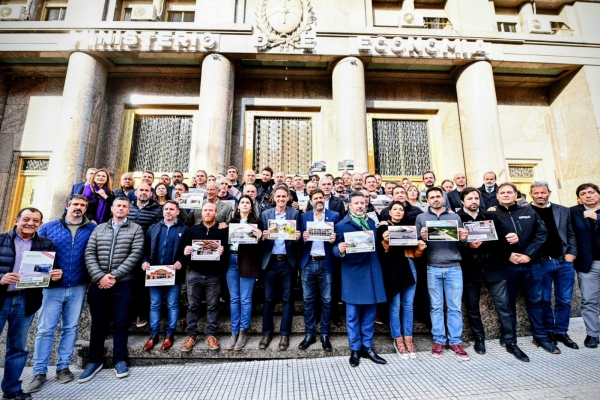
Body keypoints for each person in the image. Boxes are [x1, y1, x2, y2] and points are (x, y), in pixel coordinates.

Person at [25, 196, 96, 394]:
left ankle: (63, 367)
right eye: (75, 204)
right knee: (45, 329)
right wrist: (47, 273)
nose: (79, 208)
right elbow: (32, 255)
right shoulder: (48, 227)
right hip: (51, 288)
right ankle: (39, 371)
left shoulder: (92, 228)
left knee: (70, 327)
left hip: (78, 286)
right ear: (67, 206)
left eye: (82, 205)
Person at [457, 187, 529, 362]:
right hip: (470, 268)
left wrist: (513, 237)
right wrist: (467, 245)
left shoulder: (491, 216)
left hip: (494, 267)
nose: (474, 201)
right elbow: (452, 245)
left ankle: (511, 341)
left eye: (476, 198)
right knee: (473, 308)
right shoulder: (457, 218)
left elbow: (503, 239)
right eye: (470, 198)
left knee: (504, 306)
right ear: (462, 201)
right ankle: (479, 339)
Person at [80, 197, 144, 383]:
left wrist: (114, 275)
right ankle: (94, 361)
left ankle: (120, 360)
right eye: (118, 206)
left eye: (125, 206)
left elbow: (135, 254)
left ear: (129, 209)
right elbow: (89, 252)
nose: (121, 208)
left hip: (123, 283)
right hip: (99, 282)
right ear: (112, 208)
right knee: (98, 323)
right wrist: (100, 276)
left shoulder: (136, 229)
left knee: (121, 322)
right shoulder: (99, 228)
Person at [0, 208, 61, 400]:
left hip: (26, 300)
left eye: (35, 220)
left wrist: (55, 276)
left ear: (40, 224)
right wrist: (1, 278)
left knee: (18, 348)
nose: (30, 223)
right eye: (26, 219)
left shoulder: (46, 244)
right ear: (16, 220)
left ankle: (11, 390)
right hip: (1, 299)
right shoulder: (1, 240)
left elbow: (47, 275)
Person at [491, 183, 556, 353]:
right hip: (507, 265)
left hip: (532, 264)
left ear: (516, 195)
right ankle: (509, 338)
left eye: (509, 192)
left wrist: (528, 254)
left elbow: (542, 234)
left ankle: (540, 336)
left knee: (536, 301)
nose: (506, 195)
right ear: (497, 196)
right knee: (508, 303)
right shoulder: (490, 214)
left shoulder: (528, 211)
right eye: (502, 192)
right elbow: (489, 241)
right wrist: (508, 254)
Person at [334, 192, 387, 367]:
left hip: (371, 271)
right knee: (352, 315)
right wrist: (339, 249)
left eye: (362, 203)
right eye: (356, 203)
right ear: (349, 205)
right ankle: (355, 349)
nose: (360, 206)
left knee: (370, 313)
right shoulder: (342, 225)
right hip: (353, 274)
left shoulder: (371, 222)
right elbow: (334, 249)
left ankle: (368, 347)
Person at [416, 187, 470, 361]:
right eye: (431, 197)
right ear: (427, 200)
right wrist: (421, 238)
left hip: (454, 267)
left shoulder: (455, 217)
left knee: (454, 306)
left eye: (438, 196)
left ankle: (455, 341)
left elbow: (463, 245)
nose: (435, 199)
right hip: (432, 267)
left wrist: (463, 239)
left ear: (443, 198)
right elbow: (416, 245)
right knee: (436, 307)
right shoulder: (421, 218)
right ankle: (439, 340)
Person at [529, 181, 579, 349]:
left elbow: (571, 233)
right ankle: (549, 331)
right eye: (536, 193)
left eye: (543, 192)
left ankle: (562, 331)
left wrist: (571, 253)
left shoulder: (563, 210)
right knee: (543, 299)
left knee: (564, 299)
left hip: (563, 261)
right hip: (540, 263)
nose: (539, 196)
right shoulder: (526, 211)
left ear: (549, 192)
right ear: (531, 194)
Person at [377, 201, 425, 359]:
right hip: (393, 269)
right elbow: (382, 249)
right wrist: (385, 239)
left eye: (401, 210)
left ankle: (408, 338)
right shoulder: (383, 227)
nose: (398, 212)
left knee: (408, 305)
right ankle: (397, 338)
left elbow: (415, 253)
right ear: (389, 212)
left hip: (409, 266)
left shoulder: (410, 228)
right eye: (395, 209)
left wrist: (419, 247)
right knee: (395, 305)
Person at [141, 201, 189, 351]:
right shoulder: (153, 228)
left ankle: (169, 334)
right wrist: (144, 261)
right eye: (166, 209)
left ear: (177, 212)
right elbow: (144, 249)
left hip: (173, 273)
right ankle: (153, 335)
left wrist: (181, 261)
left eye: (171, 209)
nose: (168, 211)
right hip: (154, 273)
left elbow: (187, 250)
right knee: (155, 304)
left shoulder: (184, 229)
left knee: (172, 304)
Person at [181, 203, 227, 352]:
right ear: (202, 212)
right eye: (205, 210)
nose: (208, 212)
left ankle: (211, 335)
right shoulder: (192, 230)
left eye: (211, 210)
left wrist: (222, 251)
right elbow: (184, 250)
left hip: (213, 275)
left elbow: (228, 255)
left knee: (213, 306)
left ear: (216, 212)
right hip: (194, 273)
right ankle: (191, 335)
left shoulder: (222, 232)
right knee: (193, 306)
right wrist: (186, 250)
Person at [298, 189, 340, 352]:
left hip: (326, 263)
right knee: (308, 300)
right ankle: (310, 334)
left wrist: (333, 240)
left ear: (325, 199)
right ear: (311, 201)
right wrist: (303, 237)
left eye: (321, 197)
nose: (319, 200)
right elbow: (298, 240)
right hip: (308, 262)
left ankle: (324, 334)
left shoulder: (334, 216)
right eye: (315, 198)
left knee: (328, 300)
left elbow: (339, 240)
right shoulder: (304, 217)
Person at [259, 186, 301, 351]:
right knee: (268, 299)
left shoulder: (295, 214)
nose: (281, 199)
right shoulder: (266, 214)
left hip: (287, 261)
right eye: (279, 196)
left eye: (284, 196)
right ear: (273, 198)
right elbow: (261, 239)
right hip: (270, 262)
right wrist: (264, 236)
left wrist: (297, 238)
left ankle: (285, 334)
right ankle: (267, 333)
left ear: (288, 198)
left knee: (288, 299)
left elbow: (299, 239)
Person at [224, 196, 263, 351]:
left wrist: (260, 238)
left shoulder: (257, 223)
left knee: (245, 299)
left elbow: (260, 249)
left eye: (248, 202)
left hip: (248, 262)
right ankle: (234, 332)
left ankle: (243, 331)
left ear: (251, 206)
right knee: (234, 299)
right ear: (238, 206)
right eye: (242, 202)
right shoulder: (231, 223)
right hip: (231, 260)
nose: (245, 204)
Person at [127, 183, 163, 328]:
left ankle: (141, 314)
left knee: (142, 285)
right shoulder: (127, 207)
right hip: (126, 250)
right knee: (126, 284)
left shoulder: (157, 210)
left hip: (145, 250)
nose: (143, 192)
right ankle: (127, 314)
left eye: (146, 191)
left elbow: (155, 230)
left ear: (151, 194)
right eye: (141, 190)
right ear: (135, 192)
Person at [569, 183, 600, 348]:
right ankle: (593, 334)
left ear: (598, 194)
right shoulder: (573, 212)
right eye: (583, 194)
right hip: (588, 264)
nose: (588, 196)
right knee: (589, 301)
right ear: (579, 198)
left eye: (591, 192)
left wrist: (597, 217)